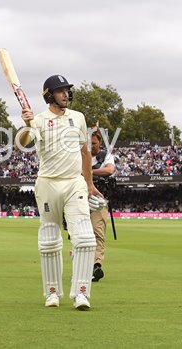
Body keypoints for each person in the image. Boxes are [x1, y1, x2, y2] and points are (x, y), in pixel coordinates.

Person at [20, 75, 101, 310]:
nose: (66, 94)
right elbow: (22, 143)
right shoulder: (38, 120)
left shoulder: (79, 118)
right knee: (49, 241)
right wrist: (27, 124)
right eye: (61, 91)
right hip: (48, 184)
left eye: (67, 90)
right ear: (49, 95)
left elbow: (85, 152)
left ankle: (82, 293)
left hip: (74, 183)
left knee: (85, 239)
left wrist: (89, 183)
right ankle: (52, 293)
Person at [89, 129, 116, 282]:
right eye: (89, 143)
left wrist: (90, 172)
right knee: (78, 234)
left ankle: (96, 265)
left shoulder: (106, 155)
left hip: (99, 200)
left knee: (98, 232)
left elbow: (110, 169)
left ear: (99, 142)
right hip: (79, 198)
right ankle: (81, 264)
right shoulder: (80, 154)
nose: (91, 146)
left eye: (94, 143)